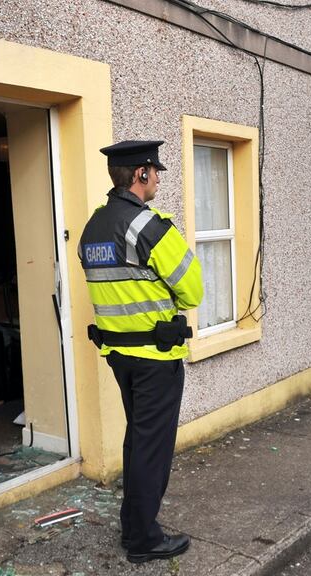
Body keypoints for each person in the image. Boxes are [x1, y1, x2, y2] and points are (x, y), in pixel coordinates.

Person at [77, 140, 203, 563]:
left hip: (119, 355)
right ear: (140, 174)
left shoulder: (93, 227)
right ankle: (145, 540)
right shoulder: (148, 226)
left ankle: (133, 527)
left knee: (138, 441)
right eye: (155, 171)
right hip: (156, 358)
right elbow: (193, 289)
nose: (159, 178)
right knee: (152, 447)